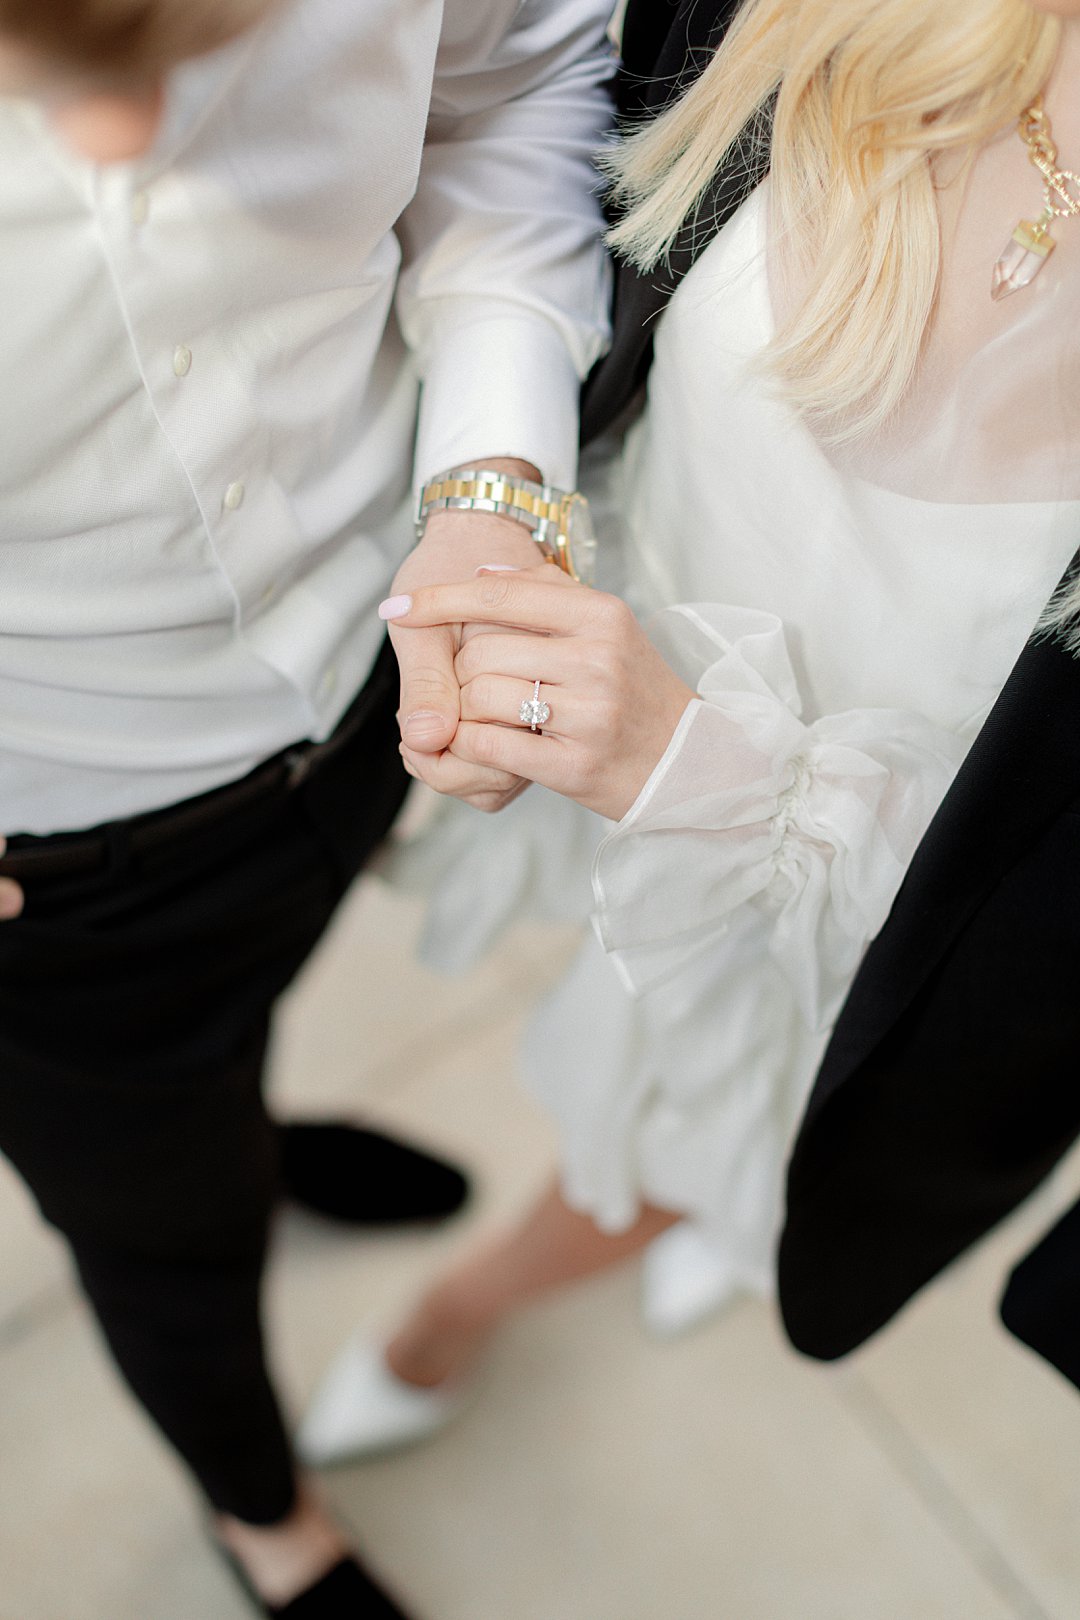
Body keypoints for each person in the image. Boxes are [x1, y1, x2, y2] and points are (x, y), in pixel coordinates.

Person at [299, 0, 1080, 1466]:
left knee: (685, 1122)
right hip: (616, 633)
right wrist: (500, 497)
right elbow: (539, 159)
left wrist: (714, 780)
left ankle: (468, 1305)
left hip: (838, 910)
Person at [0, 1, 613, 1614]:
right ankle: (265, 1518)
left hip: (355, 694)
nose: (128, 140)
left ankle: (245, 1138)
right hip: (51, 867)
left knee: (239, 1044)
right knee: (164, 1245)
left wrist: (491, 485)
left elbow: (512, 85)